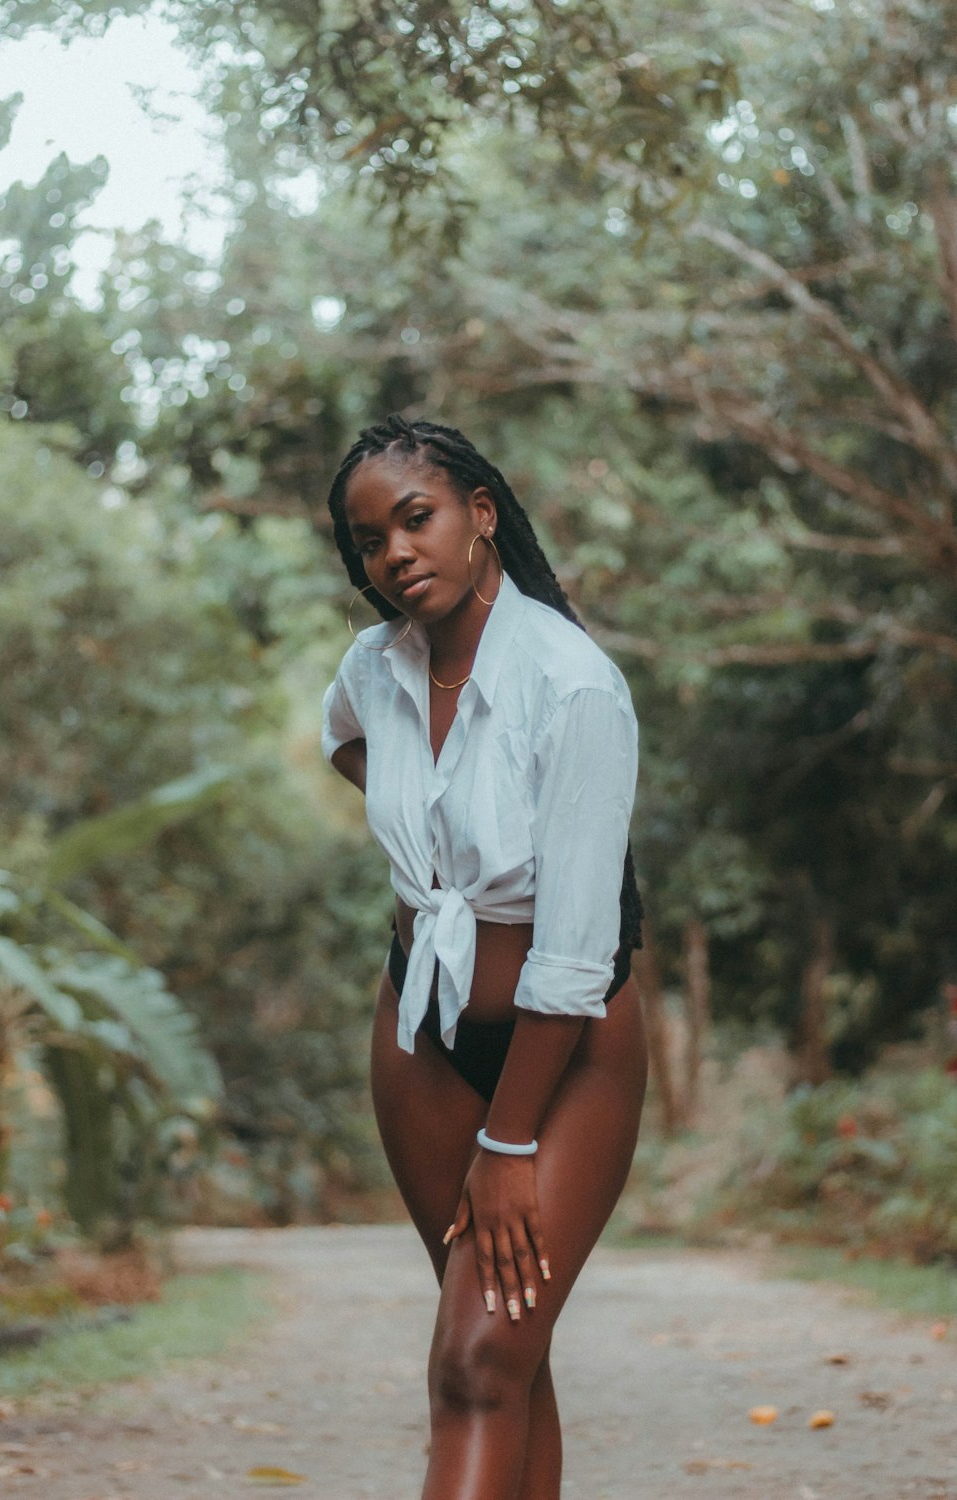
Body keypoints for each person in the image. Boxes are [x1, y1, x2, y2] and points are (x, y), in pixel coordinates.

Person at [321, 415, 648, 1500]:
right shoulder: (374, 668)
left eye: (416, 519)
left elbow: (572, 955)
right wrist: (439, 855)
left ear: (481, 513)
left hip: (569, 1053)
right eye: (371, 541)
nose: (396, 555)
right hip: (418, 1030)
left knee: (474, 1359)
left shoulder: (575, 685)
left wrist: (509, 1141)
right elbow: (346, 740)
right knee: (505, 1353)